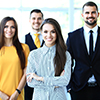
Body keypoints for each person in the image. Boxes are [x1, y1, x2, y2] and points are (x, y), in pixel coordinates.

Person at [26, 18, 71, 100]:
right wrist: (56, 82)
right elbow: (31, 82)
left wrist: (40, 78)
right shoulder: (33, 55)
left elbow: (65, 81)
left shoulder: (65, 55)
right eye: (45, 32)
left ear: (57, 33)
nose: (49, 35)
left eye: (53, 32)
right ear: (41, 33)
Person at [66, 1, 100, 100]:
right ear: (82, 15)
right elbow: (67, 63)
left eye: (93, 12)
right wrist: (69, 86)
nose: (90, 15)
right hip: (78, 88)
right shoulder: (73, 37)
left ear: (98, 14)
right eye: (87, 13)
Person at [0, 17, 30, 100]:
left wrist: (17, 92)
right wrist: (1, 94)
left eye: (12, 27)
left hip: (18, 96)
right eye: (6, 27)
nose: (9, 30)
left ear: (16, 30)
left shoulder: (24, 48)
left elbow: (26, 73)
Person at [23, 9, 44, 100]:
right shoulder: (23, 39)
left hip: (45, 82)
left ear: (43, 20)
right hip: (29, 83)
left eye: (39, 19)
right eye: (34, 18)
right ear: (29, 20)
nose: (36, 21)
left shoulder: (48, 38)